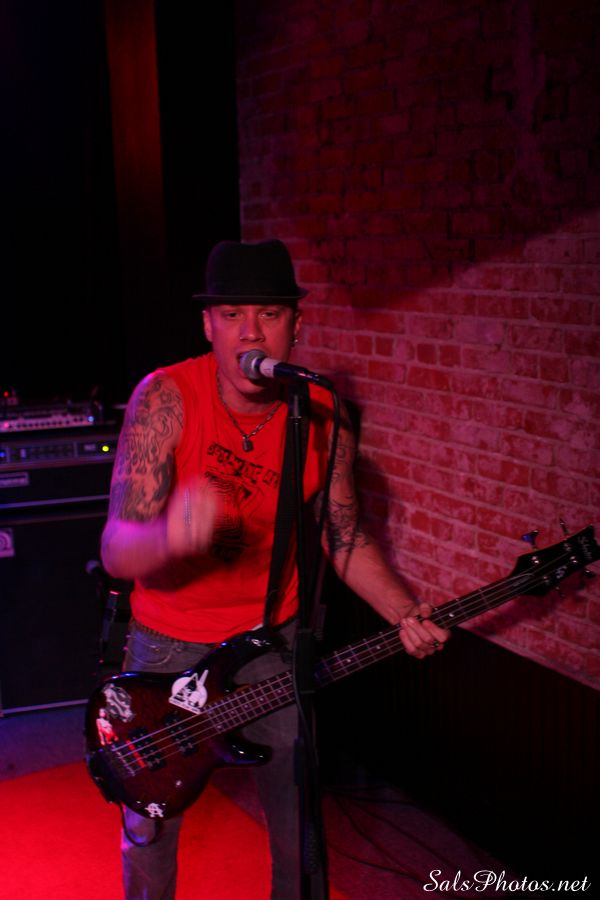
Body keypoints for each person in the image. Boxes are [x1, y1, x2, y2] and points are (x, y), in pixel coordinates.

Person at [100, 238, 449, 900]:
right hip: (168, 643)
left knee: (297, 823)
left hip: (269, 642)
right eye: (232, 314)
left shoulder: (321, 413)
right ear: (208, 325)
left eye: (268, 313)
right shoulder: (166, 397)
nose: (250, 332)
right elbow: (118, 550)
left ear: (295, 324)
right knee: (149, 823)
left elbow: (345, 537)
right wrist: (171, 536)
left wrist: (404, 611)